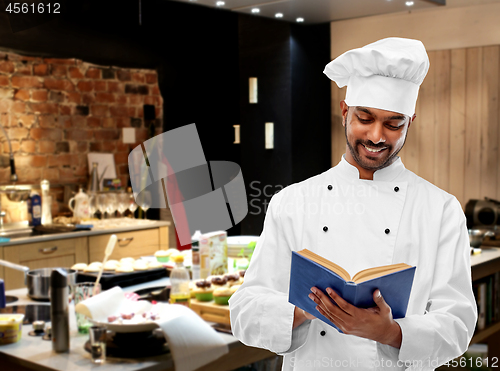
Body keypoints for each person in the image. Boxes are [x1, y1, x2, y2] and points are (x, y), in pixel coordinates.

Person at [229, 37, 478, 370]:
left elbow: (458, 327)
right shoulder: (292, 201)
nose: (377, 136)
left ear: (410, 122)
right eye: (365, 118)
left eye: (394, 124)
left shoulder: (441, 210)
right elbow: (245, 312)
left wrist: (392, 333)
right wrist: (306, 308)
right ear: (345, 112)